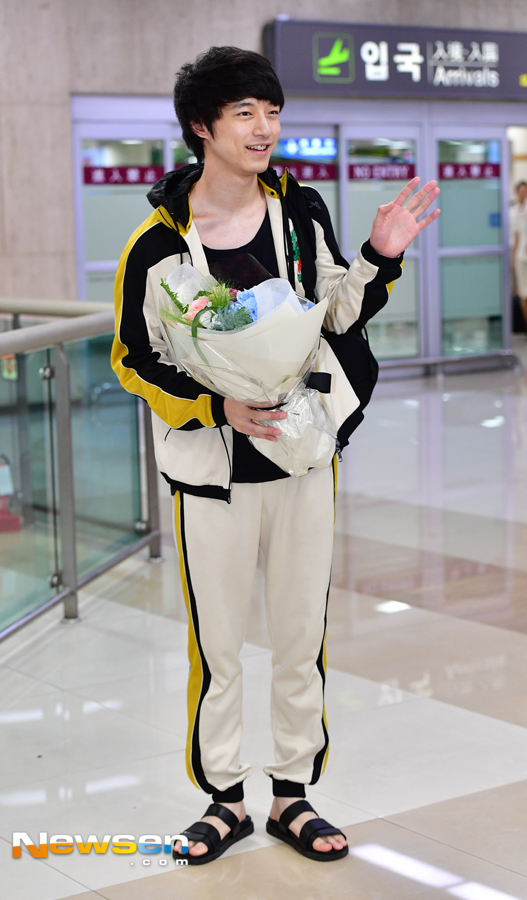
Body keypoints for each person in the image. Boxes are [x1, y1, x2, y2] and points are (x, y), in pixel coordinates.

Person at [111, 46, 440, 865]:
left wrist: (379, 254)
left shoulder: (300, 214)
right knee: (216, 645)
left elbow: (336, 315)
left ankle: (292, 793)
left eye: (272, 110)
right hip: (210, 475)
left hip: (301, 459)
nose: (266, 128)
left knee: (301, 635)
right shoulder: (156, 244)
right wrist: (211, 404)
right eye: (246, 113)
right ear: (202, 128)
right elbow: (132, 358)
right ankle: (223, 799)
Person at [511, 180, 527, 332]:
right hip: (521, 256)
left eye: (525, 191)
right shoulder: (514, 211)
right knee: (523, 294)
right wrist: (513, 258)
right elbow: (515, 237)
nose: (523, 193)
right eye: (520, 191)